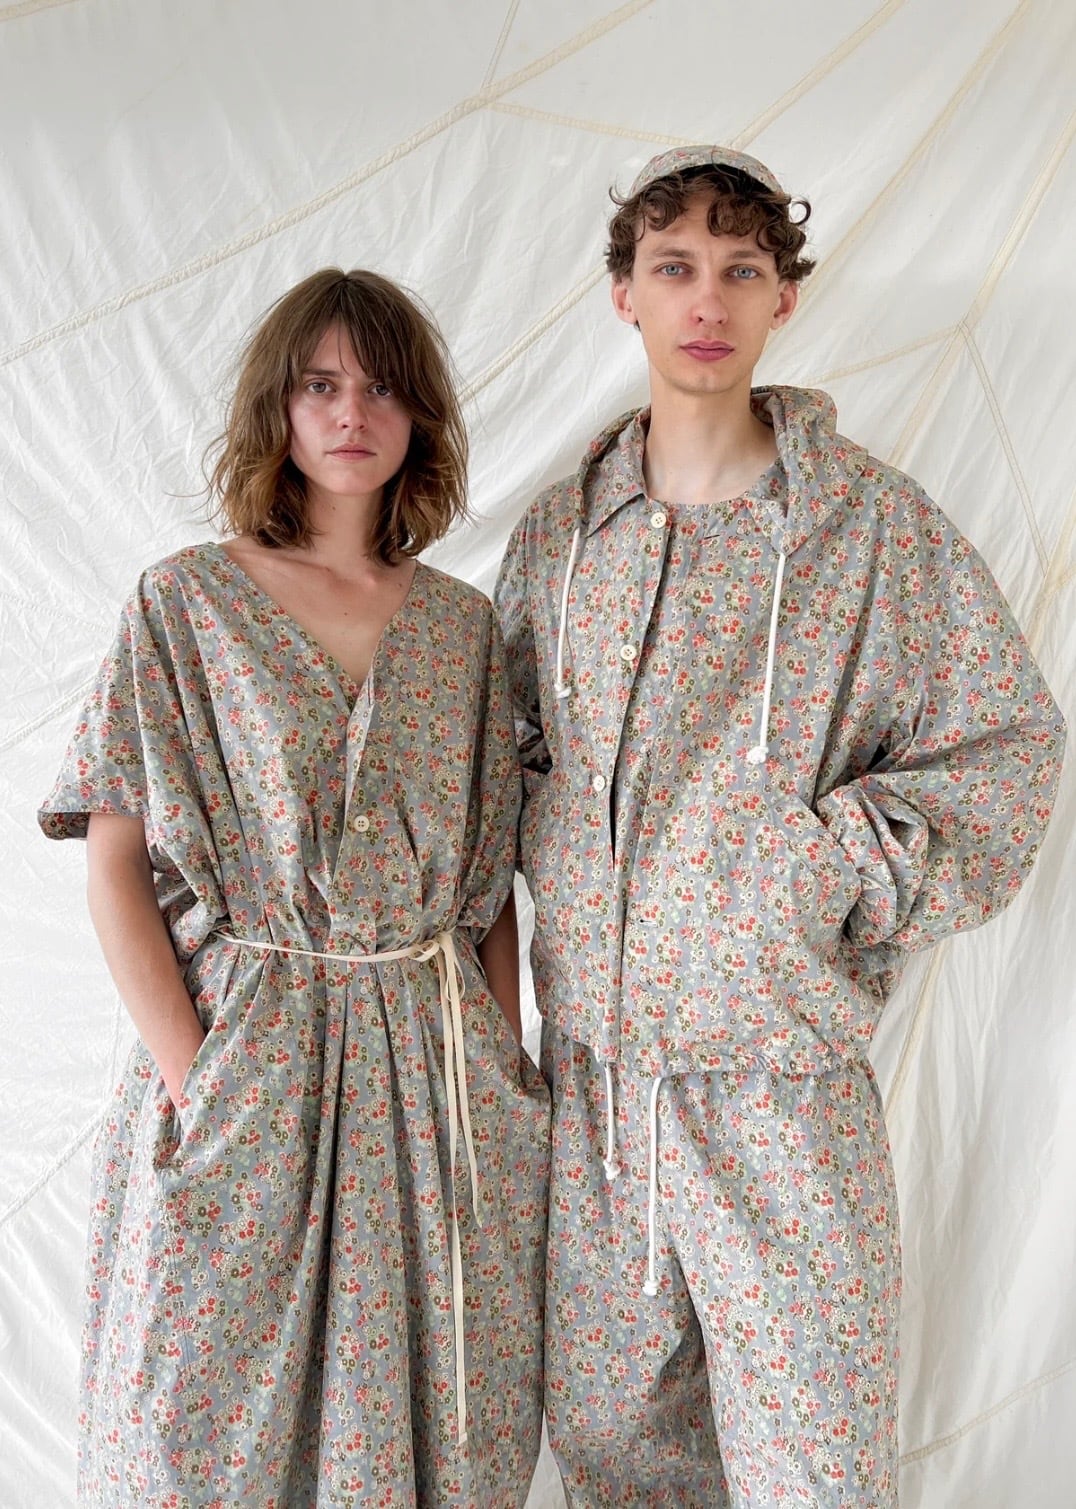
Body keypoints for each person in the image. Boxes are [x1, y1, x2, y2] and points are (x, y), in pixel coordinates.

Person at [494, 146, 1065, 1507]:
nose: (708, 299)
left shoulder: (872, 532)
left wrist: (818, 870)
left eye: (741, 269)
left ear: (782, 299)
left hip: (783, 1100)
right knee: (614, 1459)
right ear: (625, 294)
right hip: (594, 1103)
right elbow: (504, 762)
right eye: (675, 267)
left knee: (815, 1472)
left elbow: (1006, 750)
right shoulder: (560, 540)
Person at [39, 267, 550, 1508]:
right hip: (246, 1047)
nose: (350, 414)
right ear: (277, 407)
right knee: (200, 1416)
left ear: (419, 414)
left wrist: (500, 1064)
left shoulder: (462, 629)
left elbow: (485, 888)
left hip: (428, 1071)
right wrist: (196, 1073)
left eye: (380, 388)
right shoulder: (186, 602)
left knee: (432, 1405)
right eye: (320, 386)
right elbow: (115, 858)